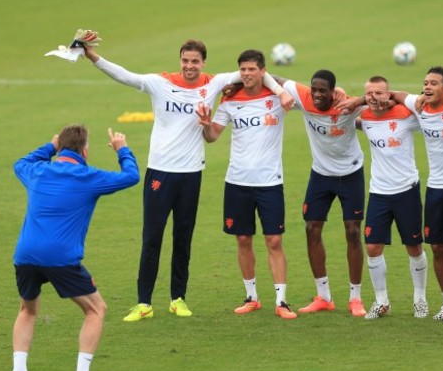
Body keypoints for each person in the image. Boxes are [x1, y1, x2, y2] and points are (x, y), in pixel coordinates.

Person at [81, 33, 293, 321]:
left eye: (195, 61)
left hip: (192, 173)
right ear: (179, 60)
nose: (189, 66)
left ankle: (178, 299)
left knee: (183, 238)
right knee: (152, 237)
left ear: (203, 63)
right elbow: (125, 76)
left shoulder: (214, 83)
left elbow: (258, 73)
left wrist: (280, 92)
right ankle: (144, 302)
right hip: (160, 171)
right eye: (185, 60)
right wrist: (93, 56)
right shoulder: (161, 83)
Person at [10, 125, 140, 371]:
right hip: (60, 258)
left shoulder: (37, 171)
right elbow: (131, 176)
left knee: (27, 310)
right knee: (96, 309)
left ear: (60, 147)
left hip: (25, 255)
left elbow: (20, 163)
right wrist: (121, 148)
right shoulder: (88, 177)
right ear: (85, 150)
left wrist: (50, 146)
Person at [196, 49, 297, 319]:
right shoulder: (229, 101)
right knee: (243, 238)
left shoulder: (277, 98)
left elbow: (307, 97)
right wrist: (205, 124)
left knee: (274, 240)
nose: (247, 74)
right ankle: (251, 297)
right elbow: (213, 136)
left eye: (252, 69)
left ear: (262, 71)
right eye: (243, 69)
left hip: (270, 182)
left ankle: (282, 301)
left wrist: (279, 89)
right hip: (237, 181)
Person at [275, 70, 368, 316]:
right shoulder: (304, 97)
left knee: (353, 231)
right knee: (311, 228)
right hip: (320, 175)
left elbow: (382, 98)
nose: (316, 94)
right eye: (314, 89)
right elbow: (272, 78)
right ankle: (323, 296)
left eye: (322, 90)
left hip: (350, 174)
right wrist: (237, 82)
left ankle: (355, 298)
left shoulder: (347, 105)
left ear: (333, 91)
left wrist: (359, 100)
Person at [339, 76, 429, 319]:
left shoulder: (405, 115)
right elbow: (349, 117)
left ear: (389, 94)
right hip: (379, 191)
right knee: (373, 247)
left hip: (406, 190)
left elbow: (422, 107)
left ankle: (420, 298)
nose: (374, 97)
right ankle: (381, 301)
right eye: (370, 93)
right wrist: (358, 100)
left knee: (413, 246)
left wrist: (395, 96)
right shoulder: (365, 118)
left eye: (380, 93)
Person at [390, 67, 443, 323]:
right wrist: (364, 99)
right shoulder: (420, 106)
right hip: (434, 188)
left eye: (434, 83)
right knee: (436, 246)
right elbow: (399, 95)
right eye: (425, 83)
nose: (427, 87)